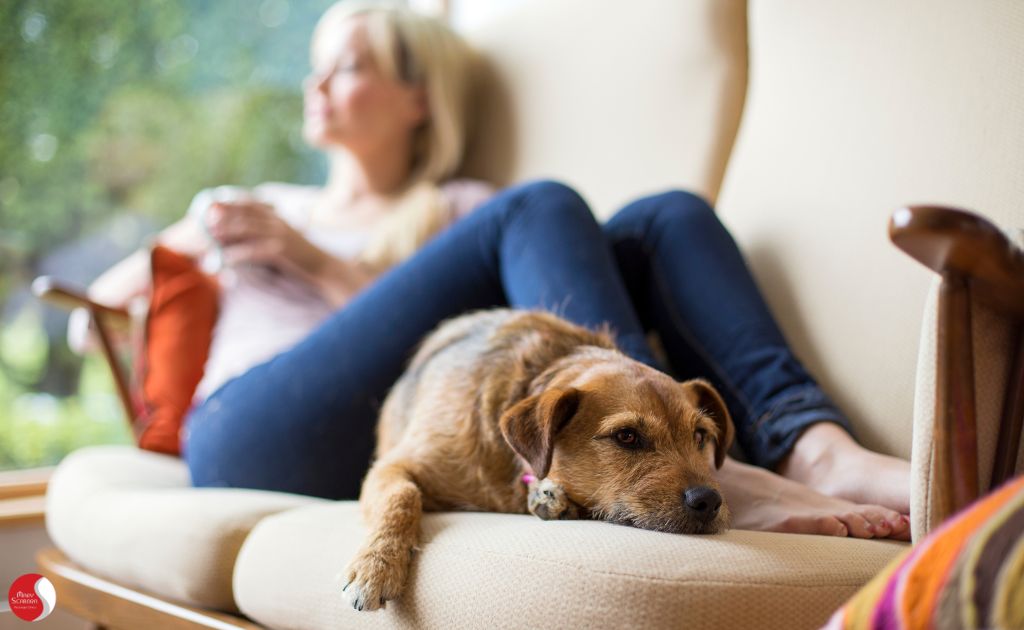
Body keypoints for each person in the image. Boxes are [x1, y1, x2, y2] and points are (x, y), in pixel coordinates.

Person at [86, 2, 911, 540]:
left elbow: (465, 368)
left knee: (667, 216)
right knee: (542, 204)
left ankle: (811, 446)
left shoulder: (462, 212)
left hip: (416, 421)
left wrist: (318, 265)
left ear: (419, 99)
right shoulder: (270, 204)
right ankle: (734, 487)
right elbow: (104, 309)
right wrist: (212, 234)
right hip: (251, 429)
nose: (318, 83)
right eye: (317, 64)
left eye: (349, 66)